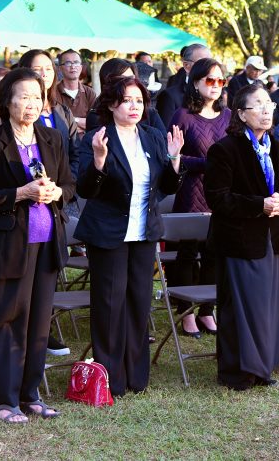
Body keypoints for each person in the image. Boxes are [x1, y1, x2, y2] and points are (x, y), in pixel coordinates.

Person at [0, 67, 75, 423]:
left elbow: (70, 185)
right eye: (24, 97)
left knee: (40, 322)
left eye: (37, 97)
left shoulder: (52, 138)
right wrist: (21, 193)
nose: (31, 104)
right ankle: (5, 399)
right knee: (7, 319)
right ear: (7, 102)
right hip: (9, 244)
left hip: (47, 243)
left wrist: (56, 192)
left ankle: (31, 394)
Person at [75, 78, 183, 396]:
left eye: (139, 100)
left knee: (138, 302)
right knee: (110, 305)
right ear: (112, 105)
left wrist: (174, 158)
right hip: (108, 232)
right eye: (127, 100)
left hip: (144, 232)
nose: (134, 106)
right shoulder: (98, 138)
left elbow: (167, 187)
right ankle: (111, 378)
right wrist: (98, 160)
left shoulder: (152, 136)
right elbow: (86, 189)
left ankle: (137, 376)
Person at [204, 84, 279, 390]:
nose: (266, 110)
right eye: (258, 105)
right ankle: (237, 372)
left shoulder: (276, 147)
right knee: (241, 307)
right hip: (238, 239)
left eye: (269, 104)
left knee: (267, 306)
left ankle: (263, 368)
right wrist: (258, 205)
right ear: (241, 113)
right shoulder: (225, 149)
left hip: (271, 237)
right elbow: (218, 198)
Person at [168, 58, 230, 337]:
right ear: (195, 82)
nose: (216, 85)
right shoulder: (182, 116)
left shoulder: (228, 116)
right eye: (210, 80)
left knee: (214, 253)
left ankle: (207, 311)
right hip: (191, 192)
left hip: (221, 193)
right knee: (188, 254)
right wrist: (208, 163)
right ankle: (186, 312)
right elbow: (172, 157)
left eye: (220, 80)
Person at [19, 49, 81, 177]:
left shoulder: (64, 112)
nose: (44, 74)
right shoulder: (19, 112)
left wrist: (68, 181)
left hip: (65, 185)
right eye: (37, 69)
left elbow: (76, 153)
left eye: (48, 69)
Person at [86, 59, 167, 133]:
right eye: (122, 79)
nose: (129, 83)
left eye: (131, 78)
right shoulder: (96, 117)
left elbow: (163, 141)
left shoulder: (150, 113)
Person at [157, 44, 211, 125]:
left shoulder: (215, 93)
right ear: (186, 66)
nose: (208, 67)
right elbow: (165, 130)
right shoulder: (170, 96)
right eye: (202, 62)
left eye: (210, 62)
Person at [54, 49, 95, 130]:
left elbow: (94, 123)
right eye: (68, 63)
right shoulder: (53, 92)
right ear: (60, 68)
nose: (73, 67)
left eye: (76, 62)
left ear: (81, 67)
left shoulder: (89, 93)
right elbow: (55, 122)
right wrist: (81, 122)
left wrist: (72, 120)